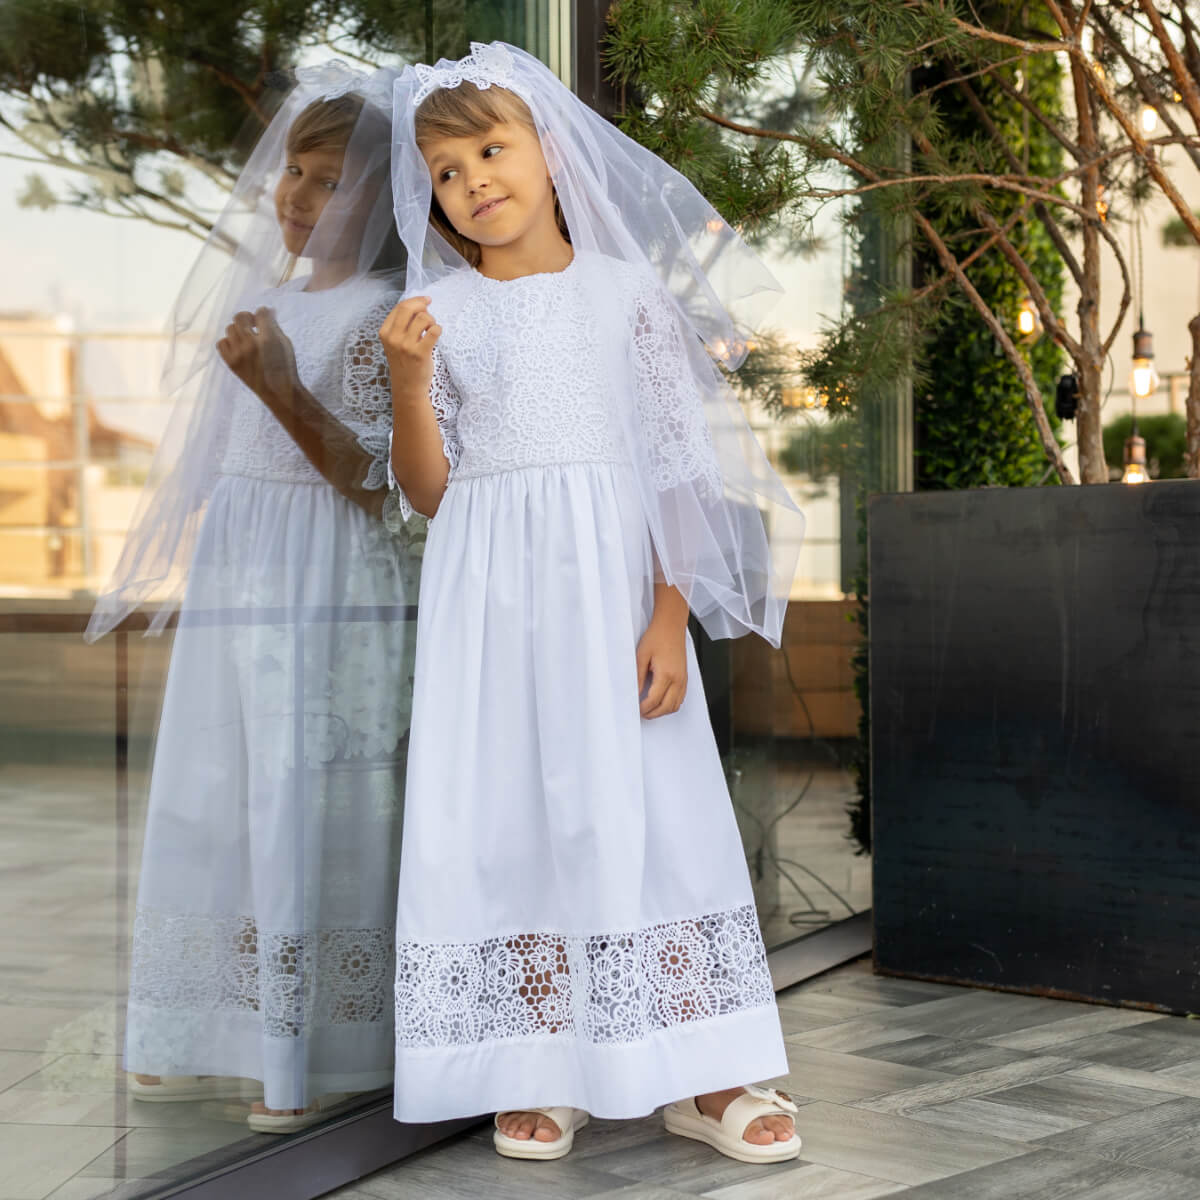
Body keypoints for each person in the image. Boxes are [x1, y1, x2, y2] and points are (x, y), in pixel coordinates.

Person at [381, 42, 806, 1164]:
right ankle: (542, 1059)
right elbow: (432, 491)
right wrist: (409, 383)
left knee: (651, 811)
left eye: (490, 148)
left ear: (551, 152)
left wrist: (668, 612)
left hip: (613, 588)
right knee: (511, 812)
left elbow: (677, 469)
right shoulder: (439, 310)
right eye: (443, 169)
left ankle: (704, 1071)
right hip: (489, 599)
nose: (471, 179)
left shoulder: (627, 297)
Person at [86, 62, 419, 1133]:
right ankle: (209, 1027)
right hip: (243, 574)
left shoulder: (382, 313)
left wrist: (280, 384)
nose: (296, 197)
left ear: (382, 203)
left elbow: (377, 484)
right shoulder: (260, 303)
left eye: (329, 181)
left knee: (303, 793)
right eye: (294, 173)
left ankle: (317, 1046)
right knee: (218, 791)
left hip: (326, 582)